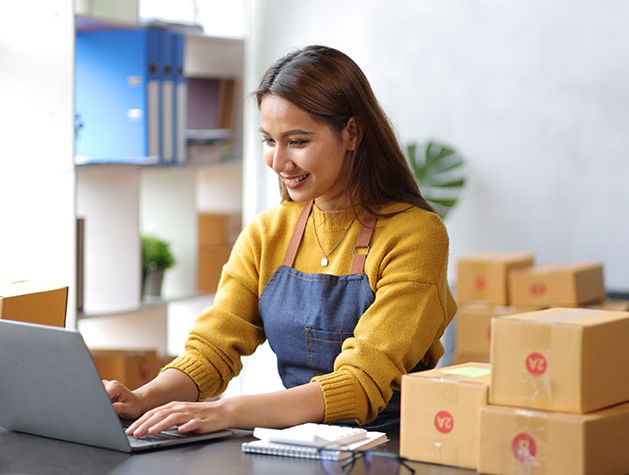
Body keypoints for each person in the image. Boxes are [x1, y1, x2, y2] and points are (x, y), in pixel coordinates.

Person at [104, 45, 457, 437]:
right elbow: (213, 348)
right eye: (269, 141)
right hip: (300, 444)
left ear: (352, 133)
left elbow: (360, 383)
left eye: (298, 141)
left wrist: (225, 411)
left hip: (391, 449)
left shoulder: (416, 236)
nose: (278, 161)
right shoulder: (268, 232)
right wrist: (144, 398)